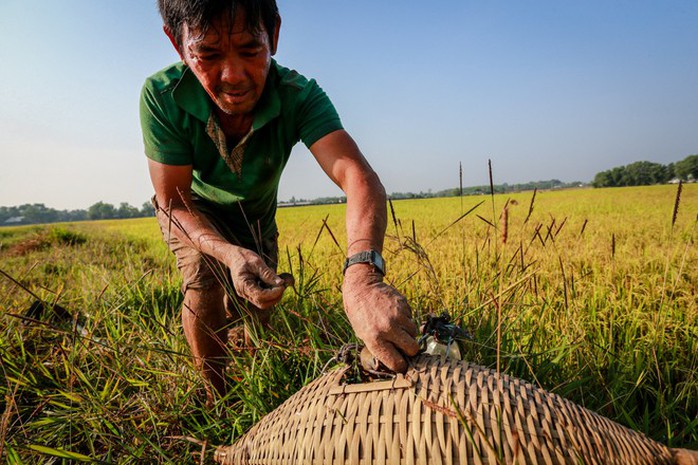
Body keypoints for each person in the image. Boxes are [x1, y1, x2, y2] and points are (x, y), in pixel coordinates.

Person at [140, 0, 419, 403]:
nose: (232, 76)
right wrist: (228, 253)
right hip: (193, 210)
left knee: (259, 305)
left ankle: (251, 362)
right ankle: (218, 397)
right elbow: (174, 200)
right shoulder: (162, 95)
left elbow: (357, 176)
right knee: (203, 273)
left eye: (250, 51)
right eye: (208, 54)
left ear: (273, 34)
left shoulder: (297, 95)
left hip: (255, 216)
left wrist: (363, 276)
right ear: (177, 44)